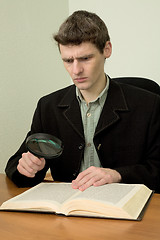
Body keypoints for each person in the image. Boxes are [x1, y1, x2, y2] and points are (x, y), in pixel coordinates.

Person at [5, 10, 160, 192]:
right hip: (68, 210)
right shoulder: (48, 107)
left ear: (107, 49)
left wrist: (117, 175)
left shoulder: (149, 104)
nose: (76, 70)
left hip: (124, 210)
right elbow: (15, 165)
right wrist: (27, 168)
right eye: (68, 60)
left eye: (85, 58)